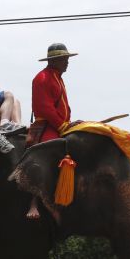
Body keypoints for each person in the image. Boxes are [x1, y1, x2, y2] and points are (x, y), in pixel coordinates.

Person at [27, 42, 80, 219]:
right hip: (47, 126)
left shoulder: (58, 77)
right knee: (48, 153)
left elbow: (65, 107)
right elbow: (46, 108)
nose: (67, 62)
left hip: (59, 124)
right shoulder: (42, 78)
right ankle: (34, 202)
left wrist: (70, 123)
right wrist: (62, 125)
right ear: (55, 60)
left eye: (67, 59)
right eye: (64, 59)